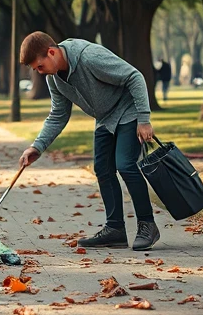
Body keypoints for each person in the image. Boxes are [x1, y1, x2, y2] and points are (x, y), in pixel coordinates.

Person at [17, 32, 158, 251]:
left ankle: (147, 225)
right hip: (104, 118)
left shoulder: (89, 57)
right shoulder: (54, 79)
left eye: (39, 66)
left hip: (128, 110)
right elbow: (58, 115)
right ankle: (115, 230)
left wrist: (144, 119)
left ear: (51, 52)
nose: (38, 71)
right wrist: (37, 146)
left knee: (125, 165)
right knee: (102, 169)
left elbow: (134, 76)